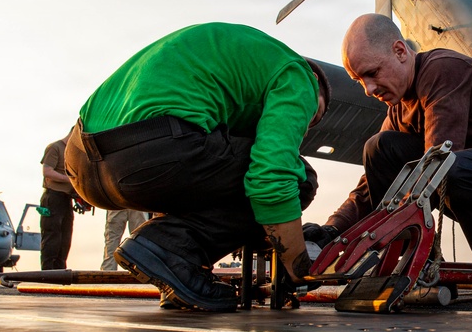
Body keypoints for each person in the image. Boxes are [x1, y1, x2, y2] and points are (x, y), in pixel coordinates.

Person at [64, 22, 329, 311]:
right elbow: (272, 178)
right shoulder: (298, 75)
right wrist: (298, 267)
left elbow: (200, 177)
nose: (304, 130)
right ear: (314, 82)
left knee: (231, 163)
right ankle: (171, 247)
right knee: (299, 177)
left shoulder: (231, 67)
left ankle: (177, 272)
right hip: (151, 151)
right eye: (311, 116)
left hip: (82, 164)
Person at [304, 13, 472, 285]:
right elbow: (368, 189)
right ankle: (416, 254)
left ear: (400, 51)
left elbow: (438, 161)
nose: (368, 89)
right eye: (359, 80)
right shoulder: (398, 109)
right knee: (379, 149)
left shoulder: (443, 69)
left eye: (372, 73)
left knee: (446, 166)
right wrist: (332, 231)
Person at [39, 134, 78, 270]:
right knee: (52, 237)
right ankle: (48, 273)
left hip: (67, 198)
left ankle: (60, 272)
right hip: (53, 197)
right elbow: (47, 171)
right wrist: (70, 180)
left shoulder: (74, 152)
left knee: (65, 239)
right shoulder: (55, 148)